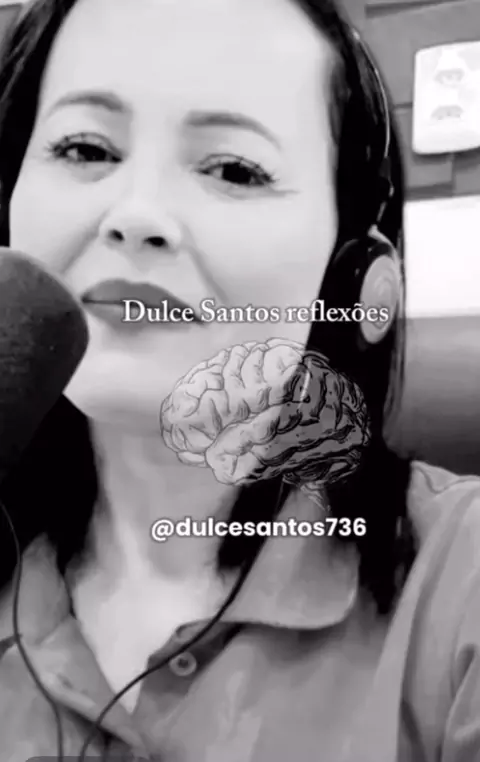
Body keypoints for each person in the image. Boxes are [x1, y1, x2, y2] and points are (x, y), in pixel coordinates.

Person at [0, 0, 478, 760]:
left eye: (233, 169)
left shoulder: (461, 578)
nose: (136, 215)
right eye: (85, 148)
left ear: (354, 270)